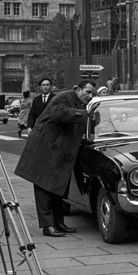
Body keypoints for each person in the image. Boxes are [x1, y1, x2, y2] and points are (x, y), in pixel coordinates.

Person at [15, 81, 95, 237]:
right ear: (78, 90)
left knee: (58, 189)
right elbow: (58, 113)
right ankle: (48, 226)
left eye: (93, 93)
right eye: (88, 92)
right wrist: (84, 114)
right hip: (45, 149)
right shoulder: (64, 98)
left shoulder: (78, 102)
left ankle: (58, 222)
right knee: (44, 187)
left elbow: (72, 129)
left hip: (58, 151)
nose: (90, 96)